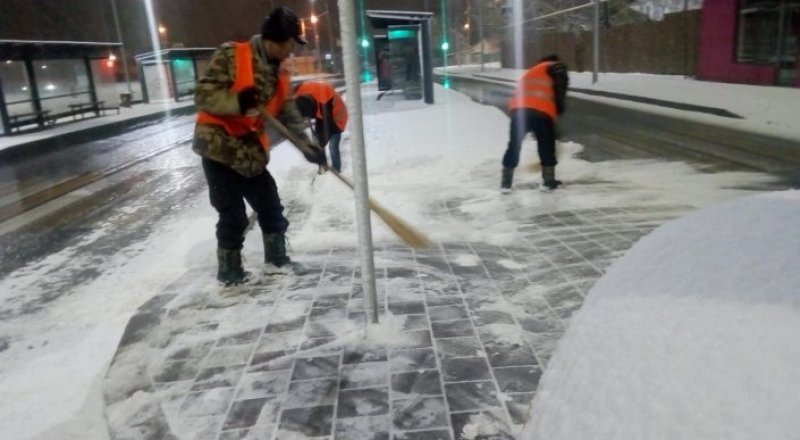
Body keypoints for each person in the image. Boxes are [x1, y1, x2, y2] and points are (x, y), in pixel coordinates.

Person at [192, 7, 327, 285]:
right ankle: (230, 274)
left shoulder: (280, 72)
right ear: (280, 40)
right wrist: (237, 102)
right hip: (218, 147)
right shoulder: (232, 55)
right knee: (233, 215)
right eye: (292, 44)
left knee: (270, 205)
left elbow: (288, 113)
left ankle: (277, 262)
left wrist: (307, 146)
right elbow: (203, 94)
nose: (293, 50)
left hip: (248, 150)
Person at [501, 54, 569, 192]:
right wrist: (559, 109)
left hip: (518, 112)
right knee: (546, 145)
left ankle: (506, 184)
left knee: (514, 146)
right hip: (541, 111)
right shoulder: (555, 66)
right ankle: (548, 182)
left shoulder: (533, 71)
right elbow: (560, 88)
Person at [294, 81, 349, 173]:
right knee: (318, 142)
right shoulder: (300, 93)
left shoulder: (324, 104)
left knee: (332, 146)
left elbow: (329, 126)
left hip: (337, 119)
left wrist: (322, 142)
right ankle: (323, 166)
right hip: (322, 115)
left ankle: (336, 169)